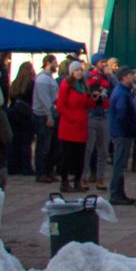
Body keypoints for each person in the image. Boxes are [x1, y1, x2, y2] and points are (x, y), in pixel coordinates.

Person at [53, 62, 95, 194]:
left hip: (81, 125)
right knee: (67, 156)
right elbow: (60, 106)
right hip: (69, 126)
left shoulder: (83, 86)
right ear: (71, 72)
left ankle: (77, 181)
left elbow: (86, 104)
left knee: (80, 156)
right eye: (76, 70)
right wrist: (71, 118)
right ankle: (64, 182)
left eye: (80, 70)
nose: (79, 72)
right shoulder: (66, 85)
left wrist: (94, 99)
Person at [107, 69, 136, 203]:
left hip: (121, 132)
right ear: (124, 77)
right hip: (122, 133)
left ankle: (119, 193)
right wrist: (130, 128)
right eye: (131, 75)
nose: (133, 77)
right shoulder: (122, 93)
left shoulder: (123, 91)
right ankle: (116, 194)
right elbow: (122, 114)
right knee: (119, 164)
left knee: (120, 163)